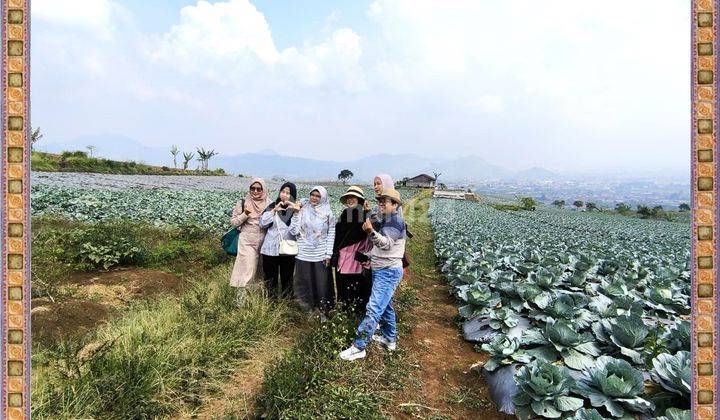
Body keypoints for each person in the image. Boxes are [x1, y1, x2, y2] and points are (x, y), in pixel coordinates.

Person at [339, 188, 407, 361]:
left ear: (395, 205)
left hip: (388, 272)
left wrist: (370, 231)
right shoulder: (387, 220)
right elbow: (380, 249)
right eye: (380, 201)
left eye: (386, 201)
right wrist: (368, 256)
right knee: (386, 307)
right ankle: (389, 339)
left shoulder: (395, 221)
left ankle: (359, 347)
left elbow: (385, 244)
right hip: (383, 269)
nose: (382, 204)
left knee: (374, 308)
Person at [289, 186, 336, 319]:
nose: (314, 198)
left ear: (323, 198)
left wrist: (328, 254)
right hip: (303, 252)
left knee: (322, 284)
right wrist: (296, 213)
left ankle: (323, 311)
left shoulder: (328, 213)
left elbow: (331, 233)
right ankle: (307, 310)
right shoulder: (303, 209)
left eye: (318, 196)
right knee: (305, 282)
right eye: (312, 195)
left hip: (320, 254)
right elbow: (294, 231)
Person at [332, 186, 373, 315]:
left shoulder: (364, 215)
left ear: (359, 200)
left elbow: (368, 235)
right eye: (349, 198)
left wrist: (368, 214)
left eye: (353, 198)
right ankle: (344, 313)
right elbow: (337, 236)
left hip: (355, 259)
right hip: (341, 258)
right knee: (342, 286)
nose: (350, 200)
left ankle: (354, 315)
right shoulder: (344, 215)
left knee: (354, 287)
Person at [230, 178, 270, 307]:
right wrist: (245, 214)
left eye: (259, 189)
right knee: (245, 270)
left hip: (264, 241)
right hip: (246, 240)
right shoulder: (242, 203)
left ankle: (255, 302)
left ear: (263, 190)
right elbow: (234, 222)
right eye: (252, 188)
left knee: (260, 272)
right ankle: (240, 303)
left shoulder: (269, 203)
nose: (255, 191)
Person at [259, 182, 298, 299]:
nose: (284, 195)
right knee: (270, 278)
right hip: (270, 249)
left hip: (288, 249)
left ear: (293, 196)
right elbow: (262, 224)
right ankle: (270, 302)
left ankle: (287, 302)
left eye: (288, 193)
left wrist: (295, 214)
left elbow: (295, 231)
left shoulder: (296, 210)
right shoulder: (272, 206)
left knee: (287, 277)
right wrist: (274, 211)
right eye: (283, 192)